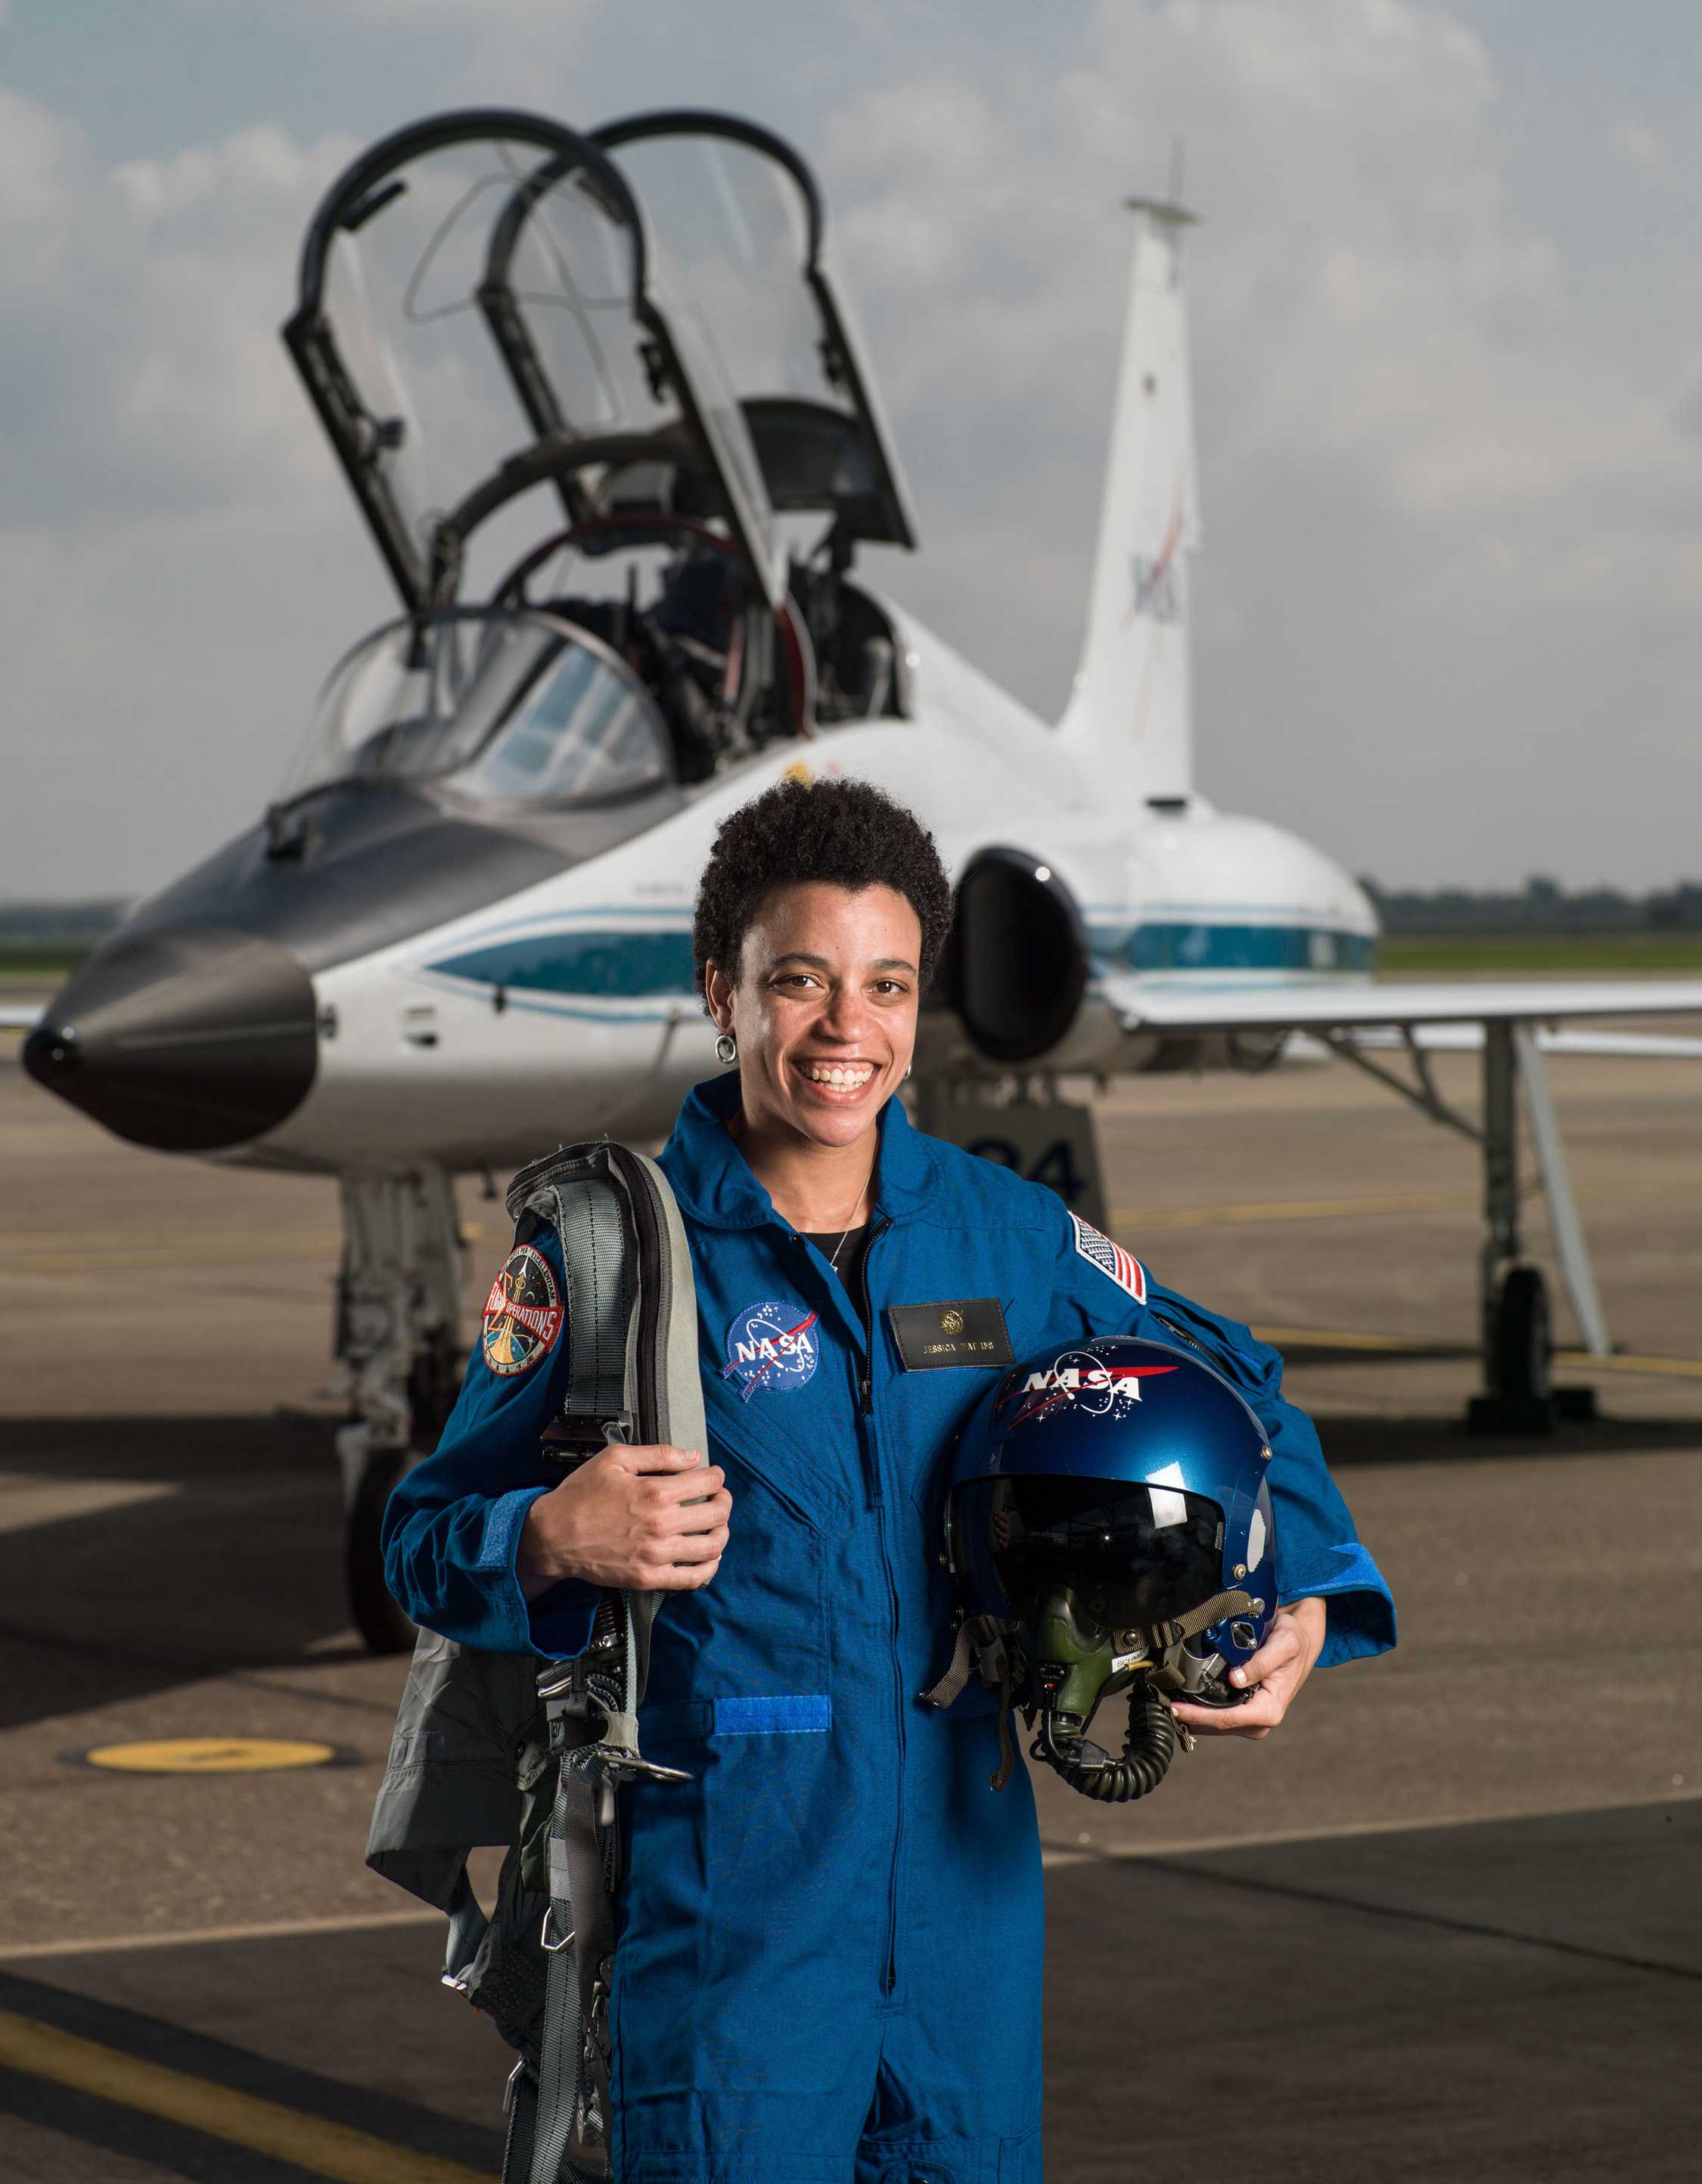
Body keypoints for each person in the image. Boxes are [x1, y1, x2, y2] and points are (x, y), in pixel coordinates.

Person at [383, 775, 1396, 2184]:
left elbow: (1236, 1388)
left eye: (888, 985)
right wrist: (548, 1535)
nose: (846, 1031)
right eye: (798, 982)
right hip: (734, 1909)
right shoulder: (613, 1260)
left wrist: (1311, 1599)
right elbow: (424, 1541)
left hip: (964, 1898)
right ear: (721, 992)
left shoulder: (1006, 1235)